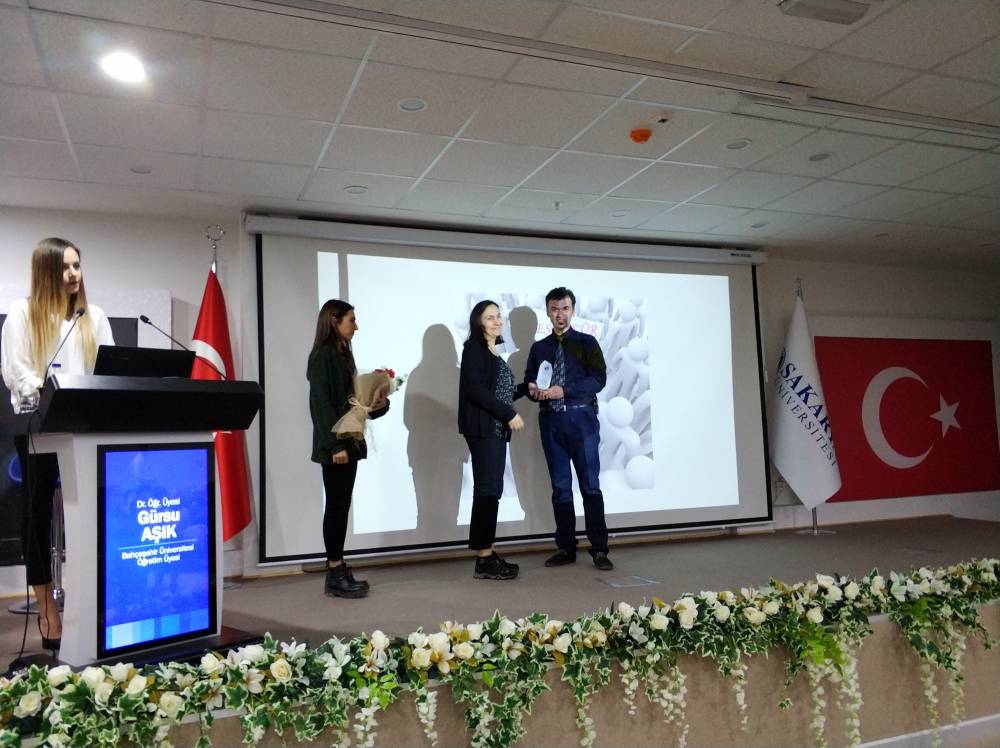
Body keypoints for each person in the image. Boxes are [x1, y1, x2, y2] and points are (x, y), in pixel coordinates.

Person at [1, 237, 115, 652]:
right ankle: (47, 607)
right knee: (36, 514)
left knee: (98, 511)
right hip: (41, 428)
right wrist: (54, 392)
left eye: (77, 266)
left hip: (87, 430)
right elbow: (18, 374)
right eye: (65, 267)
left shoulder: (93, 316)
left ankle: (94, 601)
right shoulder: (22, 313)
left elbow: (108, 369)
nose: (73, 274)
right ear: (46, 272)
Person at [525, 287, 613, 570]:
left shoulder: (587, 342)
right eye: (554, 309)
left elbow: (598, 379)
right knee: (560, 487)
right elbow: (530, 381)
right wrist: (532, 390)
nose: (559, 314)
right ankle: (566, 547)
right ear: (547, 312)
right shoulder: (539, 348)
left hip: (581, 420)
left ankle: (599, 549)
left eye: (564, 308)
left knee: (590, 485)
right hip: (551, 422)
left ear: (573, 310)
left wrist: (564, 390)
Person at [307, 299, 387, 598]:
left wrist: (377, 404)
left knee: (342, 505)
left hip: (348, 440)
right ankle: (334, 571)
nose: (356, 326)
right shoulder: (322, 355)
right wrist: (335, 445)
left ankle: (338, 566)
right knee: (336, 506)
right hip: (336, 445)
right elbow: (321, 405)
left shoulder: (343, 353)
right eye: (351, 320)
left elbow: (351, 401)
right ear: (334, 321)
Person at [458, 300, 526, 580]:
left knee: (492, 490)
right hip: (484, 429)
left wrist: (527, 389)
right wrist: (509, 414)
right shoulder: (474, 349)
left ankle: (487, 551)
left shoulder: (493, 351)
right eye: (490, 317)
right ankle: (484, 559)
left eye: (499, 316)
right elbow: (475, 390)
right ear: (478, 322)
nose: (497, 321)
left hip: (495, 430)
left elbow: (499, 392)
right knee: (487, 490)